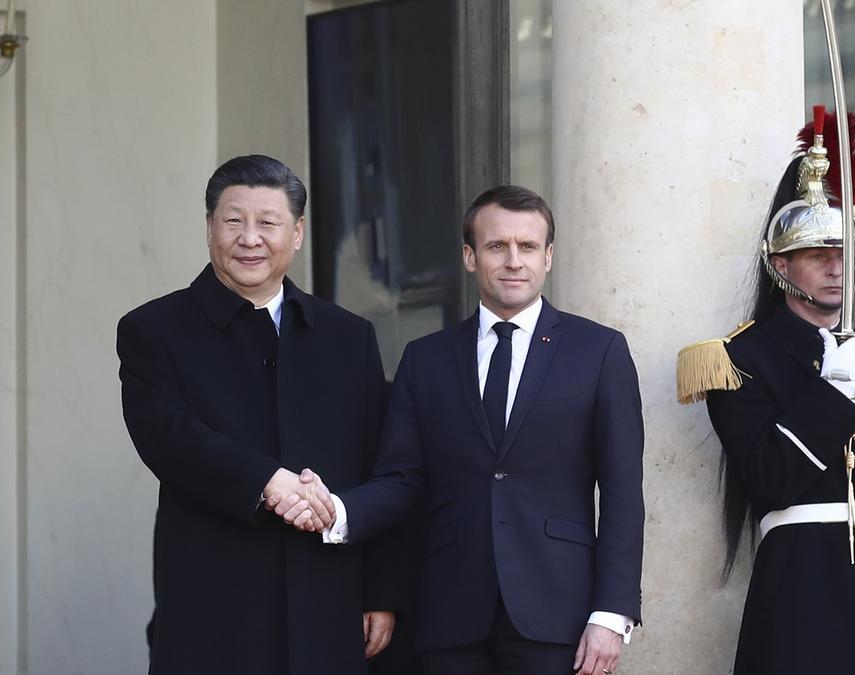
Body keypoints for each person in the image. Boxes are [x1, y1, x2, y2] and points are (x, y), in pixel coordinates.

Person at [273, 185, 645, 675]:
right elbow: (401, 480)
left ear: (549, 256)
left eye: (528, 246)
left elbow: (622, 492)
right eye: (496, 246)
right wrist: (337, 511)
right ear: (470, 257)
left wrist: (611, 613)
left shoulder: (599, 351)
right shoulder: (425, 359)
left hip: (561, 616)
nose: (514, 260)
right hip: (451, 616)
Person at [676, 108, 855, 675]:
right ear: (780, 265)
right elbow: (769, 477)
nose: (834, 270)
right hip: (801, 593)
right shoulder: (736, 361)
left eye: (842, 257)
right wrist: (832, 392)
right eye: (816, 257)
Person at [117, 154, 399, 674]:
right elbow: (168, 437)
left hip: (326, 598)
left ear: (296, 233)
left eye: (268, 222)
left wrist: (380, 590)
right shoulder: (153, 330)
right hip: (212, 602)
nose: (250, 238)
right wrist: (270, 482)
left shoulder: (347, 336)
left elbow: (377, 464)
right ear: (209, 228)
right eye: (233, 221)